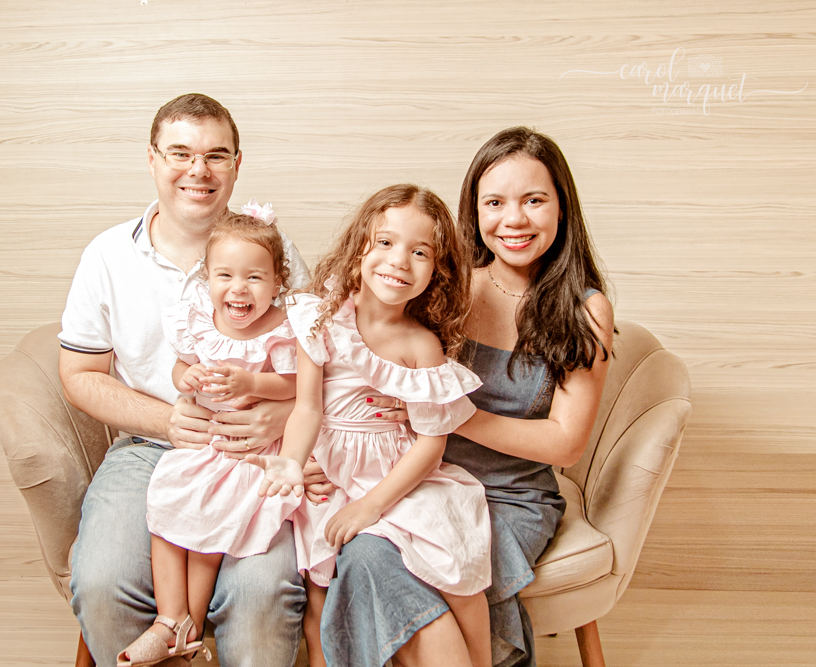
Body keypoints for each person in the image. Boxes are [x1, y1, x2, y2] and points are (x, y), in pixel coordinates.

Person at [322, 128, 615, 667]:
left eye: (534, 200)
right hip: (425, 479)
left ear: (562, 206)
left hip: (510, 498)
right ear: (473, 211)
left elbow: (566, 443)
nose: (514, 220)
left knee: (428, 568)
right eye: (495, 203)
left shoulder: (584, 309)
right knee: (363, 553)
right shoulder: (450, 286)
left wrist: (449, 416)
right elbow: (363, 369)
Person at [57, 93, 313, 667]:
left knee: (261, 594)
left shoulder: (275, 251)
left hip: (254, 449)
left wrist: (276, 413)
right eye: (181, 153)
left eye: (216, 156)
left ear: (237, 165)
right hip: (149, 447)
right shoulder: (107, 256)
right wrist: (165, 418)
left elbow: (315, 366)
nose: (199, 171)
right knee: (100, 584)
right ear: (152, 159)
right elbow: (78, 374)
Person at [250, 184, 494, 667]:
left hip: (397, 476)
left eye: (419, 251)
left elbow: (430, 446)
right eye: (385, 242)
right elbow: (307, 408)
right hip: (332, 474)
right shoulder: (319, 319)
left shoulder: (422, 345)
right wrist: (293, 464)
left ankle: (482, 659)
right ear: (359, 244)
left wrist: (369, 505)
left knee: (454, 562)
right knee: (320, 582)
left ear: (437, 270)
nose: (399, 260)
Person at [117, 211, 303, 667]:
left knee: (209, 526)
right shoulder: (199, 317)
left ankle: (189, 628)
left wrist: (251, 385)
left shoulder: (284, 326)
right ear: (207, 277)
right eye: (225, 275)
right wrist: (190, 376)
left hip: (249, 450)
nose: (238, 289)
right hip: (205, 442)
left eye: (254, 277)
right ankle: (169, 619)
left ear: (278, 281)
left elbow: (296, 385)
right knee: (166, 506)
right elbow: (181, 368)